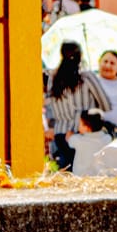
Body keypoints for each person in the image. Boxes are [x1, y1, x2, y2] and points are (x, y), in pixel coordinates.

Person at [44, 41, 107, 170]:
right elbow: (104, 104)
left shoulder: (53, 78)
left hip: (61, 133)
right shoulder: (87, 77)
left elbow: (49, 107)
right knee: (87, 173)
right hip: (85, 132)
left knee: (67, 174)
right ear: (80, 56)